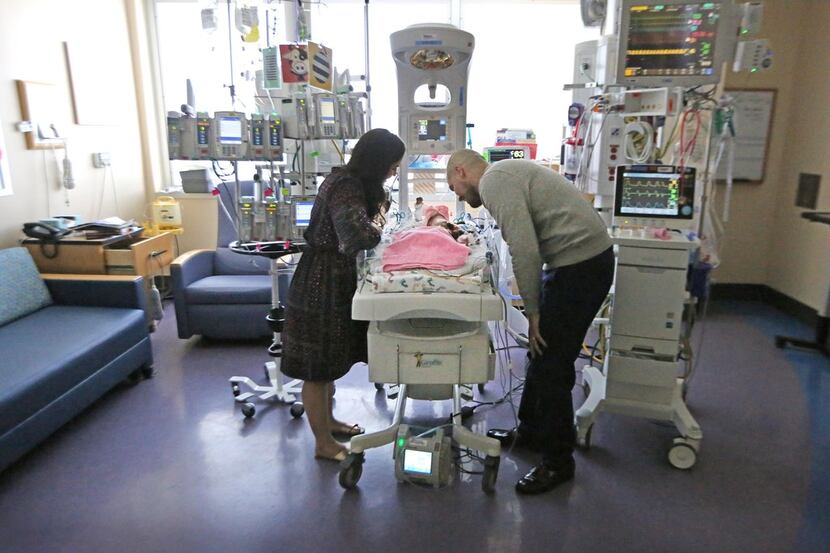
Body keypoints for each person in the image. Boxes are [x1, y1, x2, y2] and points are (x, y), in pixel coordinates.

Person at [446, 150, 614, 494]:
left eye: (454, 187)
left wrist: (533, 313)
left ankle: (558, 461)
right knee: (541, 354)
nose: (458, 196)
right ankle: (531, 432)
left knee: (552, 364)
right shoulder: (506, 174)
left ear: (462, 170)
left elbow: (524, 249)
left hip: (581, 267)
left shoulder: (494, 181)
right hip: (576, 262)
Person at [281, 129, 405, 462]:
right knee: (317, 368)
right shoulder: (345, 186)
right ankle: (323, 443)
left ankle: (329, 422)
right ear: (378, 161)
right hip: (321, 282)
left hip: (333, 275)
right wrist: (381, 227)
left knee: (330, 363)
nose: (394, 171)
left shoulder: (345, 181)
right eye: (392, 165)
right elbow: (356, 235)